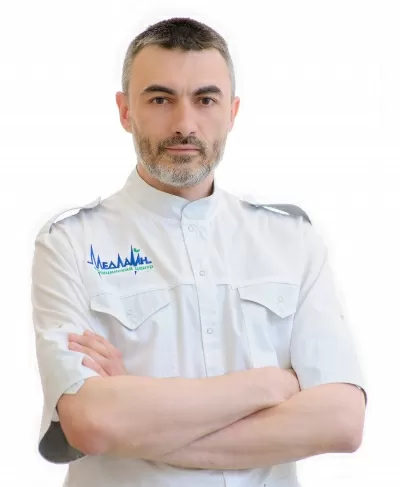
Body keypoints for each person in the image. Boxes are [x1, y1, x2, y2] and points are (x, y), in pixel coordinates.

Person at [31, 16, 367, 487]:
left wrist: (138, 415)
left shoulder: (292, 240)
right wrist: (269, 384)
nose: (184, 124)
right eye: (160, 99)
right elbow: (91, 422)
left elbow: (342, 421)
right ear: (125, 111)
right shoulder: (69, 242)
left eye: (205, 100)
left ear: (232, 112)